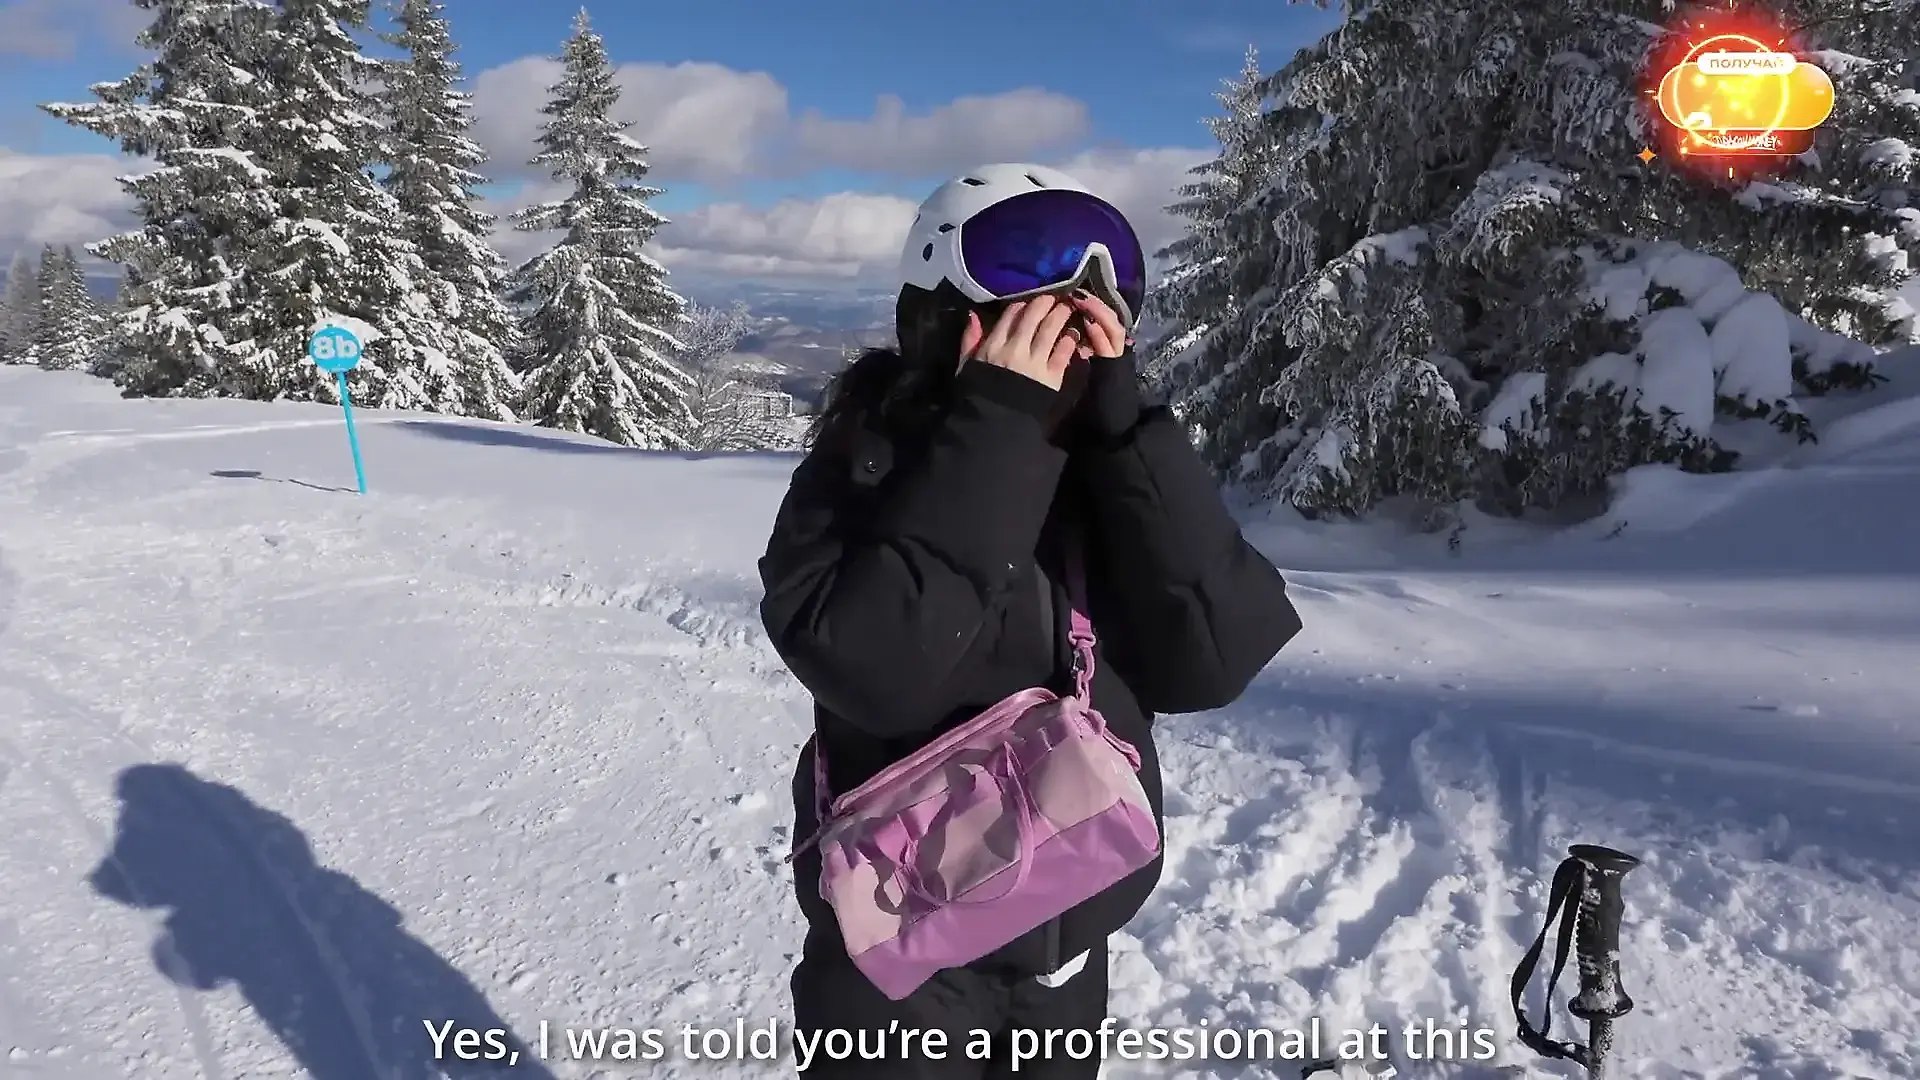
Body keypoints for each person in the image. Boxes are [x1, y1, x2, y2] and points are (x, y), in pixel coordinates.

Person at [758, 163, 1302, 1078]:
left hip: (1066, 936)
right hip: (901, 950)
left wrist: (1130, 437)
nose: (1062, 340)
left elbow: (1213, 662)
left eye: (1085, 319)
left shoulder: (1107, 476)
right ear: (940, 317)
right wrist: (998, 427)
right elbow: (873, 670)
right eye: (1029, 314)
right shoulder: (860, 470)